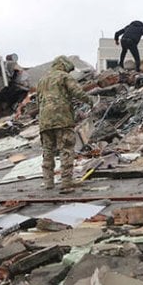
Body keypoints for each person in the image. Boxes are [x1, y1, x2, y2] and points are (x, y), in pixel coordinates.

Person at [36, 56, 93, 193]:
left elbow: (38, 101)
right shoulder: (63, 77)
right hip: (62, 118)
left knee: (47, 152)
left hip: (45, 120)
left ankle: (48, 181)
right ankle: (67, 181)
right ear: (64, 66)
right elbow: (76, 92)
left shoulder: (42, 80)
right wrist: (89, 100)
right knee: (66, 149)